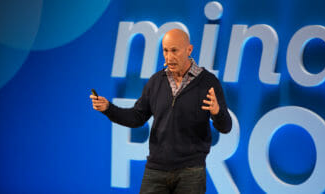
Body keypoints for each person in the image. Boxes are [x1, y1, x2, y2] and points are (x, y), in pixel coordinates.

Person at [90, 29, 232, 194]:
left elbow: (226, 126)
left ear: (189, 50)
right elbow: (136, 117)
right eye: (165, 50)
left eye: (174, 50)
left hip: (191, 172)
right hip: (156, 170)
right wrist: (109, 109)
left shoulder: (208, 82)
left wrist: (217, 112)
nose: (169, 56)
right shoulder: (156, 81)